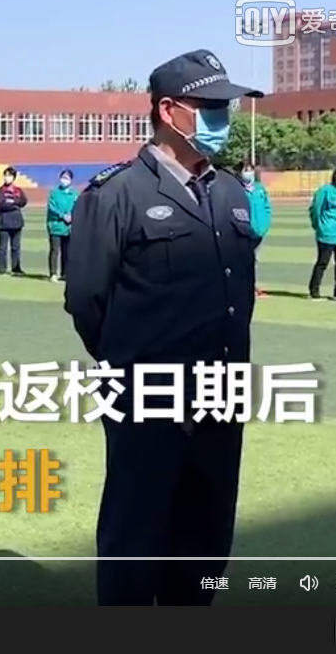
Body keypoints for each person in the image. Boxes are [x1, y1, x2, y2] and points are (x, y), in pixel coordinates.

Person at [64, 49, 260, 606]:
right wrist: (133, 361)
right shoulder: (116, 194)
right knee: (136, 531)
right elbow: (87, 301)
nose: (223, 118)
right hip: (147, 393)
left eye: (226, 107)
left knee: (208, 532)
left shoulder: (231, 192)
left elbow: (236, 291)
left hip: (221, 391)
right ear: (170, 111)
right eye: (211, 107)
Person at [307, 164, 336, 301]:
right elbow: (315, 210)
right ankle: (314, 290)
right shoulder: (325, 191)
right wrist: (318, 226)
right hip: (328, 233)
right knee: (323, 262)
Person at [239, 161, 272, 298]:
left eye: (250, 170)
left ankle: (252, 284)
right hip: (243, 231)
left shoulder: (260, 189)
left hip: (258, 231)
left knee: (254, 260)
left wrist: (265, 225)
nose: (248, 173)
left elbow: (267, 207)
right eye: (245, 170)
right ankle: (243, 286)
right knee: (242, 260)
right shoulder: (237, 188)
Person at [0, 167, 28, 275]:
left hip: (17, 222)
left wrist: (12, 202)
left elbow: (23, 201)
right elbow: (3, 204)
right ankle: (2, 269)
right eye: (5, 175)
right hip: (4, 223)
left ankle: (16, 268)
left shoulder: (18, 190)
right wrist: (15, 204)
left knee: (16, 247)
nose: (7, 178)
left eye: (9, 175)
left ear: (14, 177)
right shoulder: (0, 191)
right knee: (3, 247)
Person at [46, 169, 77, 282]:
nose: (64, 180)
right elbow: (52, 207)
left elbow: (78, 206)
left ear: (71, 180)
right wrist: (62, 215)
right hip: (56, 225)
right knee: (55, 250)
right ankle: (53, 273)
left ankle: (65, 273)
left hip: (68, 227)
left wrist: (72, 216)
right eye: (63, 178)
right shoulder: (54, 193)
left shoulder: (74, 194)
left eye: (67, 178)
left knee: (67, 251)